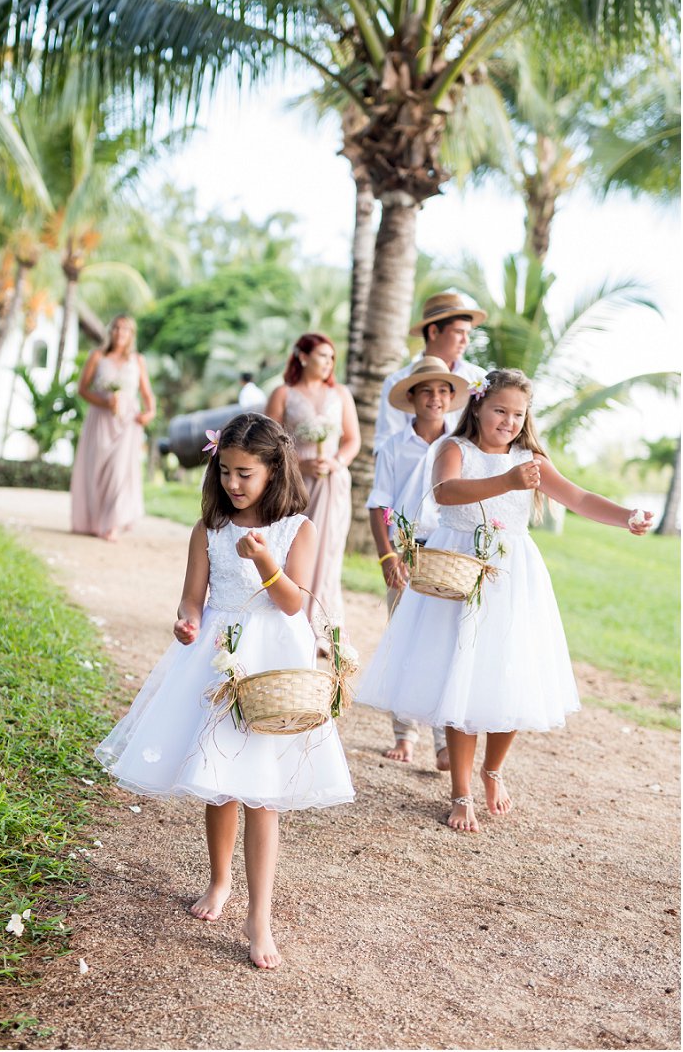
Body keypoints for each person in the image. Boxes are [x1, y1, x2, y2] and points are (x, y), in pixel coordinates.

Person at [95, 414, 354, 969]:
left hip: (272, 665)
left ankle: (259, 916)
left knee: (262, 792)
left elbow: (292, 604)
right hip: (219, 658)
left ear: (273, 471)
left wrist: (263, 558)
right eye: (227, 472)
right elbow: (193, 596)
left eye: (246, 473)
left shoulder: (296, 529)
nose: (234, 484)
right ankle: (219, 881)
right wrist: (187, 620)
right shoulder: (208, 529)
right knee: (219, 781)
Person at [357, 368, 653, 834]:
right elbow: (445, 492)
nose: (509, 421)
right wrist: (509, 482)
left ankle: (493, 770)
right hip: (460, 570)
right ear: (477, 405)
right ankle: (461, 791)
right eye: (500, 410)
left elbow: (577, 497)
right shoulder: (454, 449)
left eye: (518, 414)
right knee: (460, 674)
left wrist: (626, 517)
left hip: (512, 574)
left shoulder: (529, 459)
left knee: (508, 672)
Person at [367, 357, 469, 772]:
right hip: (404, 550)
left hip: (445, 548)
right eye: (426, 390)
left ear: (451, 398)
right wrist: (387, 555)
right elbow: (379, 504)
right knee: (403, 637)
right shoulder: (392, 447)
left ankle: (444, 741)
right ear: (410, 398)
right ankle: (403, 735)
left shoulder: (459, 445)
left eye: (443, 391)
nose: (435, 398)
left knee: (444, 641)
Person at [266, 333, 361, 625]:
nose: (329, 362)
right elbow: (268, 443)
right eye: (322, 355)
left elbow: (352, 440)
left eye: (332, 357)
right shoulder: (283, 393)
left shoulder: (341, 394)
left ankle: (320, 622)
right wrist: (300, 465)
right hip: (295, 482)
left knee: (327, 550)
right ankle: (290, 615)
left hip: (332, 483)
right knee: (291, 545)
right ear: (303, 357)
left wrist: (336, 462)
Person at [71, 315, 155, 542]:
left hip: (127, 422)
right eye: (116, 328)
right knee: (98, 471)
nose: (120, 333)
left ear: (131, 335)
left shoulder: (137, 360)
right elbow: (83, 389)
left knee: (119, 472)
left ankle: (112, 524)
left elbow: (147, 394)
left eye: (125, 329)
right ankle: (94, 521)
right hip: (101, 419)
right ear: (111, 331)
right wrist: (105, 402)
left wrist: (149, 413)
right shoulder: (97, 356)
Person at [374, 290, 488, 454]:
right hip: (413, 473)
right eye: (458, 332)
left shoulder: (478, 378)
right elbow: (386, 442)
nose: (465, 340)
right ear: (433, 332)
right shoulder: (398, 382)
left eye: (467, 333)